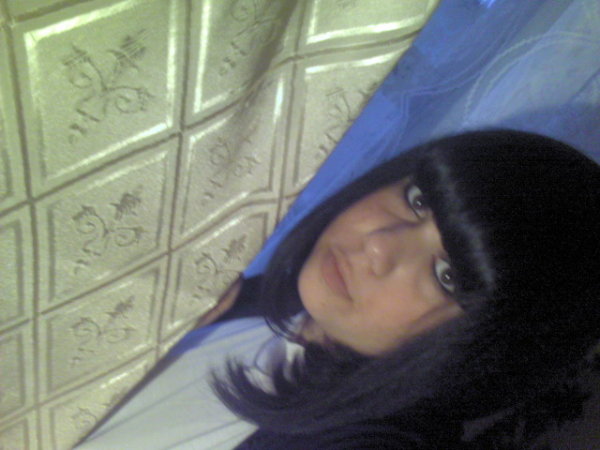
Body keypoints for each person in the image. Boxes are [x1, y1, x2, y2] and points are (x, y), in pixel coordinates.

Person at [212, 129, 600, 448]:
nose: (379, 244)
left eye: (447, 277)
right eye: (417, 201)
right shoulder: (266, 299)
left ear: (482, 353)